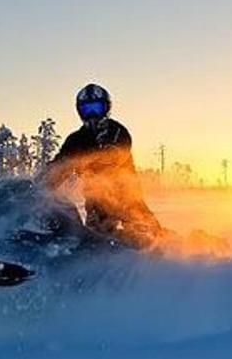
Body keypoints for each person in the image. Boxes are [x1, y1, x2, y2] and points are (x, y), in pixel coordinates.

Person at [44, 83, 163, 248]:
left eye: (96, 108)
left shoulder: (117, 132)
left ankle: (183, 250)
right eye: (87, 109)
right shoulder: (76, 140)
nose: (92, 114)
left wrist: (84, 161)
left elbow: (114, 157)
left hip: (128, 199)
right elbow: (59, 165)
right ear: (80, 112)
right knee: (97, 241)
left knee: (152, 237)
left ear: (106, 108)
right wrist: (41, 185)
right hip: (96, 205)